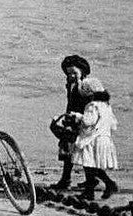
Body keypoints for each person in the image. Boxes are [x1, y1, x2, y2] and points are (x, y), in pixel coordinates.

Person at [70, 77, 119, 200]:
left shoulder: (92, 106)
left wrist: (77, 116)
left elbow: (87, 121)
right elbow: (114, 125)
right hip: (104, 139)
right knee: (94, 166)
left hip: (92, 140)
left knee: (89, 165)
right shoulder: (106, 106)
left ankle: (103, 186)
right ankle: (94, 189)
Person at [50, 55, 91, 190]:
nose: (72, 75)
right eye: (69, 73)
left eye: (75, 73)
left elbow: (90, 106)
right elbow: (70, 103)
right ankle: (68, 179)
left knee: (81, 151)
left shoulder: (85, 87)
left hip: (82, 121)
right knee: (69, 150)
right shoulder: (70, 84)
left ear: (83, 72)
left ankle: (72, 179)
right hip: (73, 119)